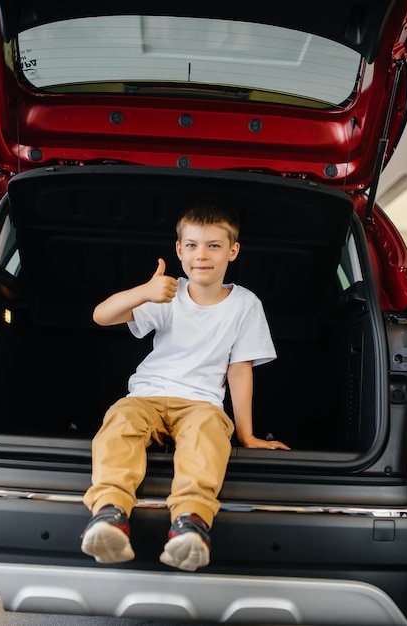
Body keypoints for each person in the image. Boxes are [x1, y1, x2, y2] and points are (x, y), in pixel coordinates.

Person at [80, 196, 290, 572]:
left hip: (200, 404)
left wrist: (247, 435)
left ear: (233, 250)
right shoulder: (166, 292)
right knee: (119, 423)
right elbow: (101, 316)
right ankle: (109, 515)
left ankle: (190, 524)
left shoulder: (244, 304)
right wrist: (143, 292)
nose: (202, 255)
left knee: (208, 435)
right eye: (192, 245)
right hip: (146, 395)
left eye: (214, 245)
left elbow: (239, 371)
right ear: (179, 250)